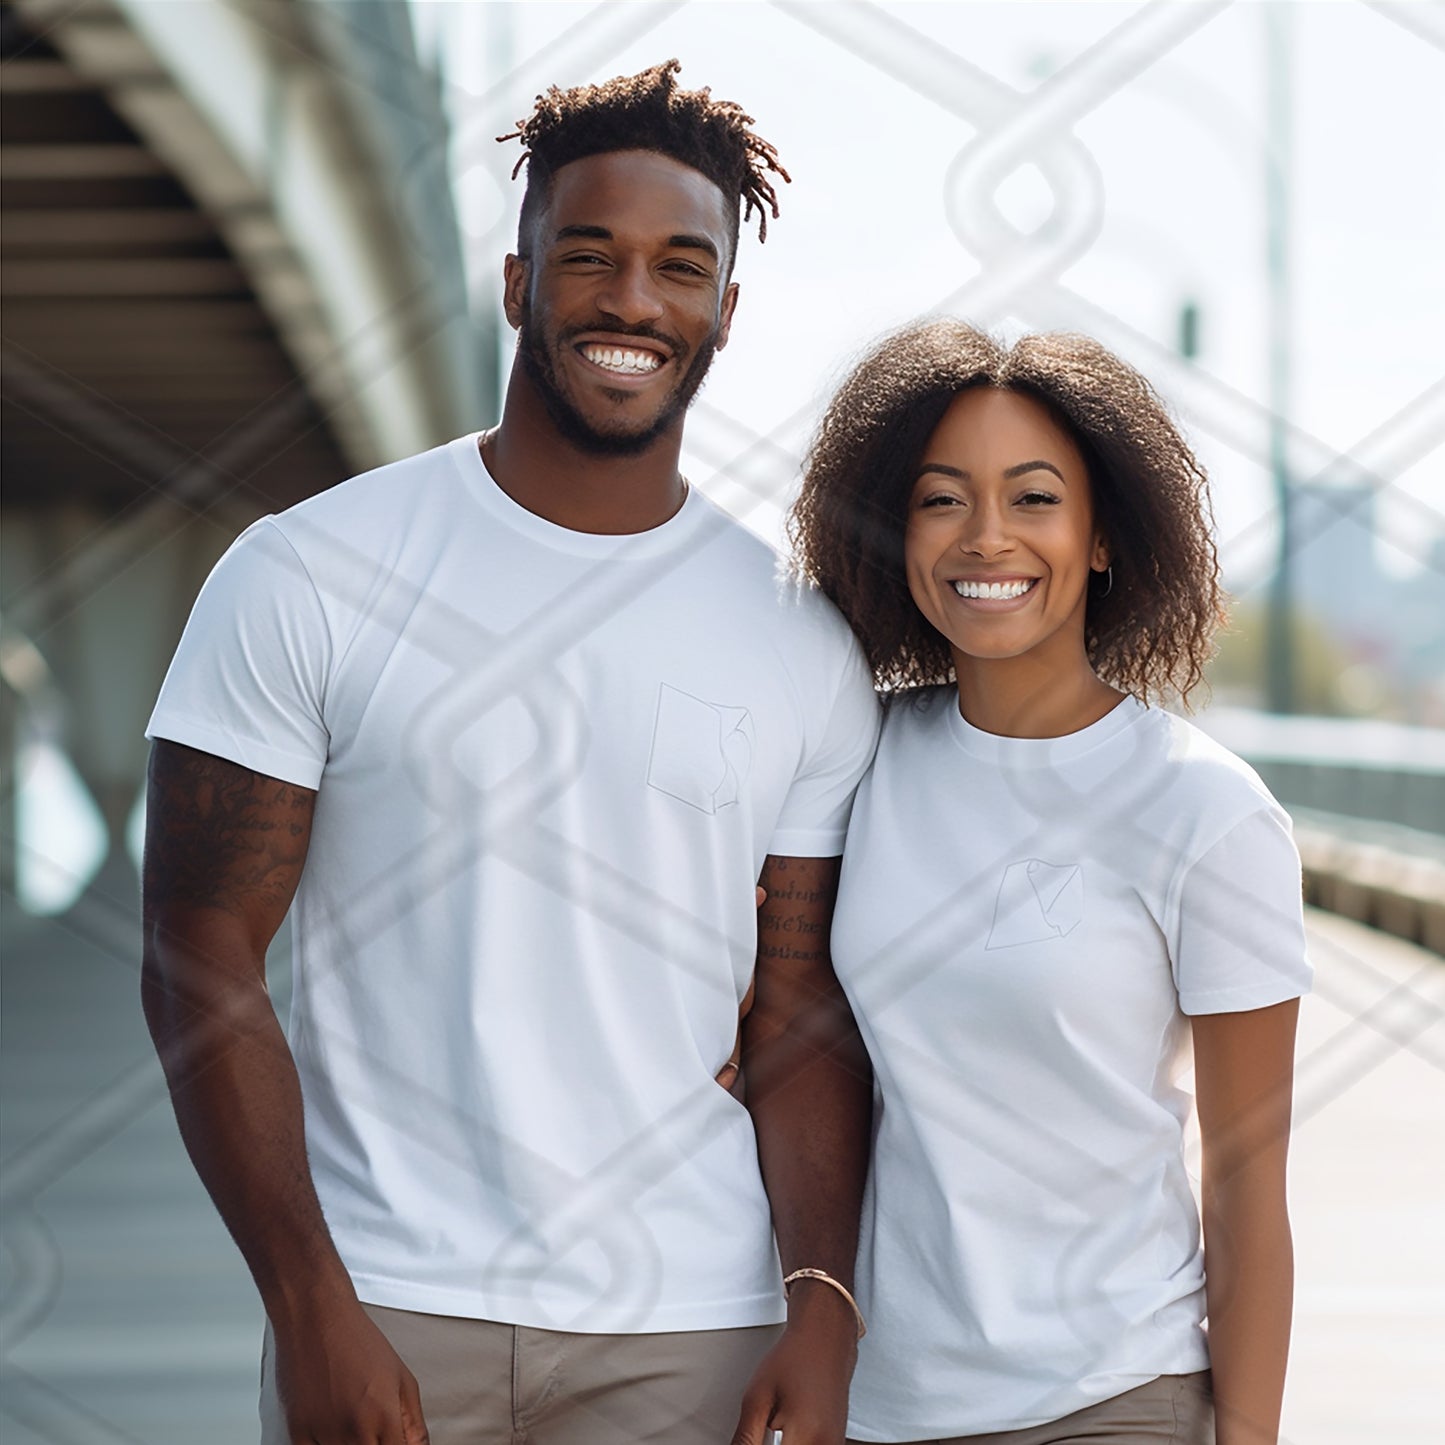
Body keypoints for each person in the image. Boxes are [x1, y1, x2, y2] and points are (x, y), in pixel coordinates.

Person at [141, 61, 879, 1445]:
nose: (631, 302)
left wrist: (822, 1304)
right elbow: (198, 948)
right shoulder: (308, 572)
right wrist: (309, 1306)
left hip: (692, 1323)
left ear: (725, 306)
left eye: (679, 266)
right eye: (587, 256)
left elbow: (794, 1015)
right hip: (391, 1305)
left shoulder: (799, 636)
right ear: (516, 280)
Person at [790, 320, 1311, 1445]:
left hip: (1116, 1391)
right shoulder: (854, 760)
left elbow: (1243, 1183)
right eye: (939, 499)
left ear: (1102, 535)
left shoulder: (1204, 812)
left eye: (1032, 498)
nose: (984, 536)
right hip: (887, 1401)